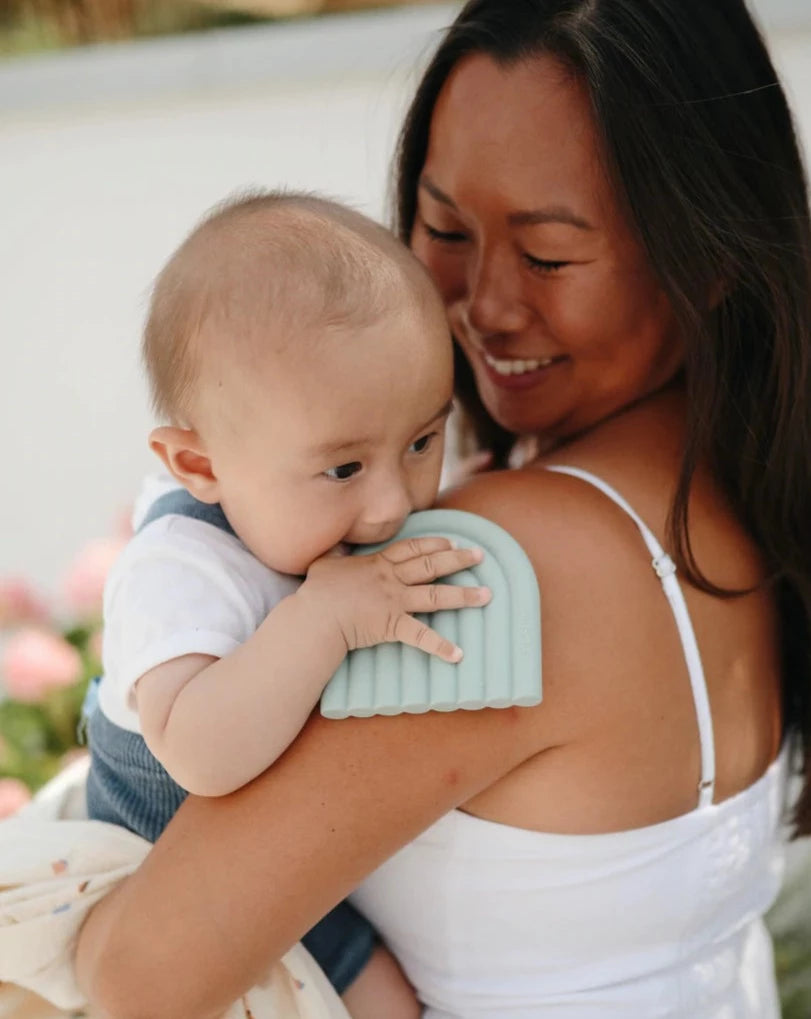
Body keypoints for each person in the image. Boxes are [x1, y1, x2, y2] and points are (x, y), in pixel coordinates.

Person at [75, 1, 811, 1016]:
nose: (484, 304)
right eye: (446, 229)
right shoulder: (743, 496)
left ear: (711, 249)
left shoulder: (494, 567)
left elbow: (139, 972)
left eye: (549, 254)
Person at [83, 191, 491, 1019]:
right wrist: (321, 620)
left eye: (420, 441)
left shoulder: (295, 495)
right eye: (343, 469)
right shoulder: (179, 571)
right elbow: (200, 751)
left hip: (284, 864)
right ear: (199, 466)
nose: (390, 504)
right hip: (172, 882)